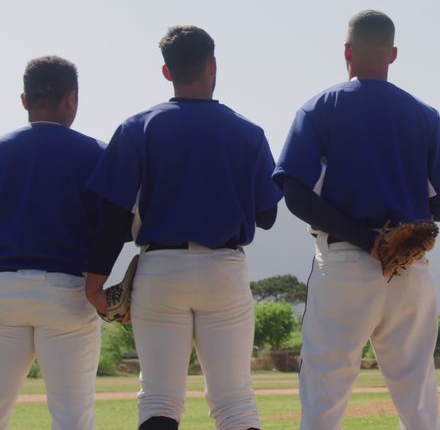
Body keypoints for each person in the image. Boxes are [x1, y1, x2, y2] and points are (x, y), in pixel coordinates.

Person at [84, 26, 281, 430]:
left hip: (160, 268)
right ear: (212, 66)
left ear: (166, 71)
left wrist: (95, 281)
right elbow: (268, 215)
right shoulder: (248, 132)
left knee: (158, 397)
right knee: (235, 401)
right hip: (224, 267)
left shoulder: (138, 127)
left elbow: (113, 217)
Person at [274, 10, 440, 430]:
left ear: (346, 52)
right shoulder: (424, 115)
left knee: (324, 395)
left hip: (343, 264)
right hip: (409, 267)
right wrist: (400, 228)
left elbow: (295, 195)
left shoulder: (320, 107)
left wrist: (364, 237)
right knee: (417, 402)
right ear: (393, 54)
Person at [0, 57, 103, 430]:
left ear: (24, 100)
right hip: (66, 291)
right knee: (72, 418)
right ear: (71, 99)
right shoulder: (97, 153)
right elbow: (116, 226)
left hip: (3, 290)